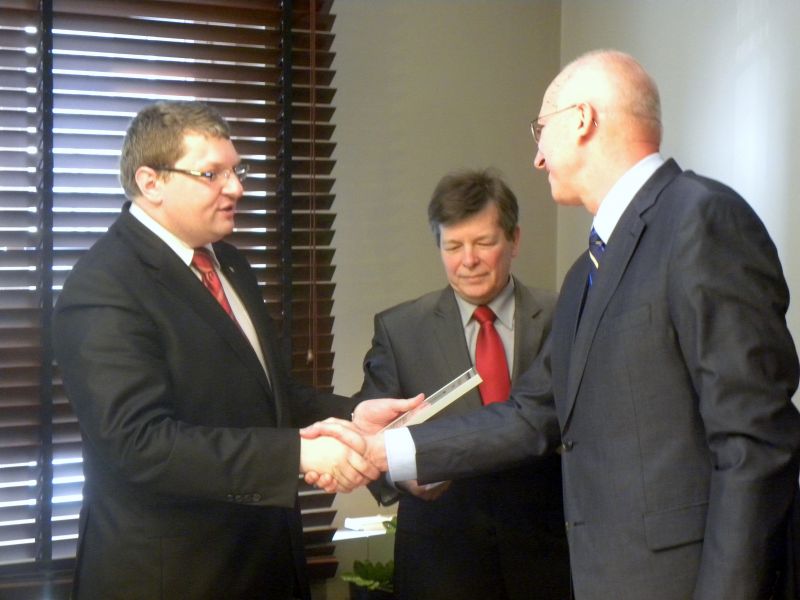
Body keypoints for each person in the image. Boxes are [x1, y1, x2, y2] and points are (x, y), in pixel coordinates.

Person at [306, 50, 800, 599]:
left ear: (582, 119)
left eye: (541, 131)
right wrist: (381, 450)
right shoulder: (586, 272)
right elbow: (532, 414)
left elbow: (755, 441)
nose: (538, 157)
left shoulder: (700, 218)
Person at [52, 101, 418, 600]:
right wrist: (299, 453)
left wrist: (352, 418)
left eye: (236, 171)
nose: (236, 188)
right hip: (176, 578)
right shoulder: (104, 284)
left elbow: (268, 396)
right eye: (212, 174)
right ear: (151, 182)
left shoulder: (229, 264)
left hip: (267, 564)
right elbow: (139, 444)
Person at [355, 169, 569, 599]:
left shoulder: (561, 316)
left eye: (483, 243)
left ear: (514, 240)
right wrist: (403, 477)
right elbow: (371, 438)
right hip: (440, 561)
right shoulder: (400, 329)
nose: (468, 260)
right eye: (453, 246)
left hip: (543, 554)